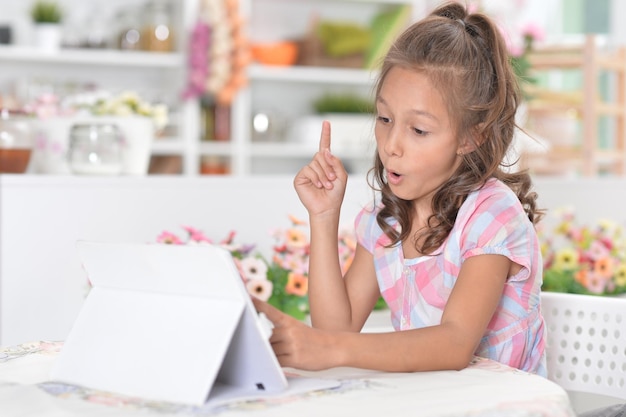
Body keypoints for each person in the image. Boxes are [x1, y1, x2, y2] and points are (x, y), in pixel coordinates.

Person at [253, 1, 547, 376]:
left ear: (472, 137)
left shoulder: (491, 216)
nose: (391, 144)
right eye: (385, 118)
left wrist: (328, 346)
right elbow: (336, 331)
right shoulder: (387, 222)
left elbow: (454, 343)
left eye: (419, 130)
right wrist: (324, 217)